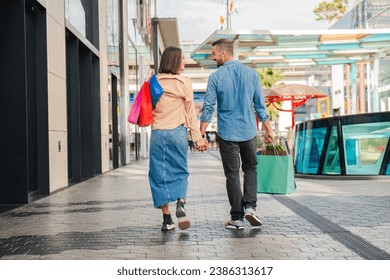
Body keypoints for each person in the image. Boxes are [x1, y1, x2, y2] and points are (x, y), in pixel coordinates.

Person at [200, 39, 275, 230]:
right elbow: (260, 105)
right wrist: (269, 129)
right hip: (249, 131)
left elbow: (208, 108)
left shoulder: (215, 77)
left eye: (214, 53)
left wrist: (200, 134)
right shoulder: (251, 74)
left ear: (224, 54)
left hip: (227, 134)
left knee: (232, 175)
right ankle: (250, 207)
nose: (213, 57)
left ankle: (237, 218)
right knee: (250, 168)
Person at [149, 46, 208, 232]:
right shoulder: (184, 82)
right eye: (182, 58)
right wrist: (197, 138)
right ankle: (180, 204)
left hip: (158, 133)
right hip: (177, 132)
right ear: (175, 61)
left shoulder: (153, 81)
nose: (184, 61)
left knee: (158, 174)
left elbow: (148, 106)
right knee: (180, 171)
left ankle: (167, 219)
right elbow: (191, 113)